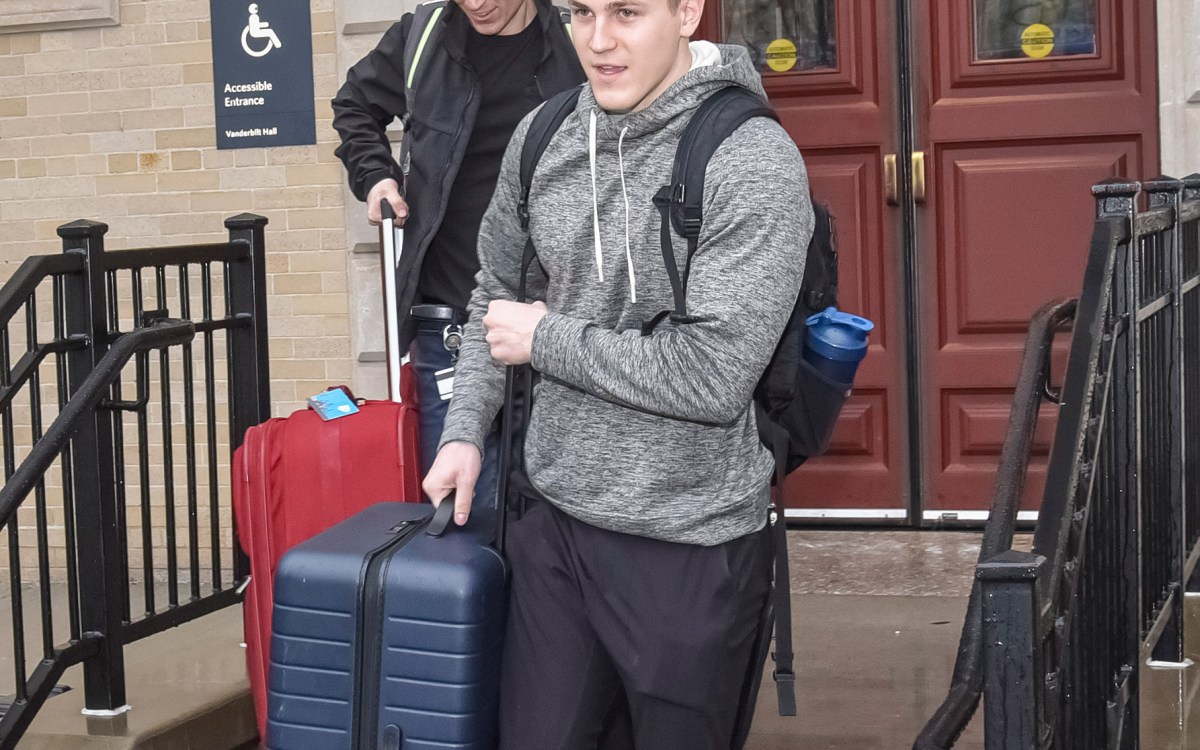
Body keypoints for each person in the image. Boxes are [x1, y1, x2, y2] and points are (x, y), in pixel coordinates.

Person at [422, 0, 813, 742]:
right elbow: (493, 295)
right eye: (579, 11)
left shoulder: (750, 157)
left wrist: (547, 340)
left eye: (627, 12)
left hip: (690, 545)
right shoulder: (541, 137)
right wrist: (465, 431)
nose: (597, 40)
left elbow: (712, 377)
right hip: (555, 528)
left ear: (687, 11)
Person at [331, 0, 585, 514]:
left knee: (554, 520)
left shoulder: (577, 42)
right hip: (449, 326)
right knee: (461, 518)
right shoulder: (421, 38)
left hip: (559, 329)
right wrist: (375, 174)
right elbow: (354, 104)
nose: (476, 3)